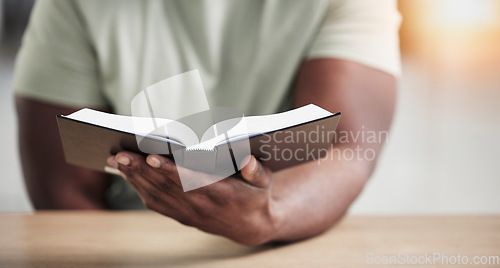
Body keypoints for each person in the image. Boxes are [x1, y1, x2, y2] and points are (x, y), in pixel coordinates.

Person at [14, 0, 400, 245]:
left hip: (283, 237)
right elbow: (63, 188)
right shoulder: (74, 5)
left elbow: (348, 150)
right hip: (127, 243)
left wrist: (267, 216)